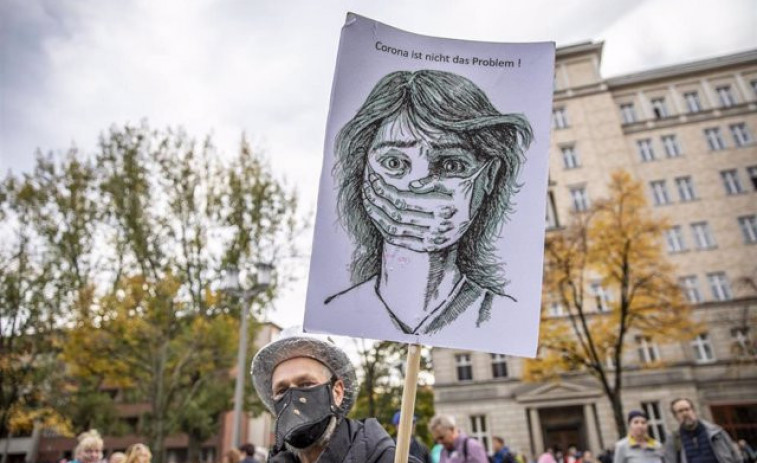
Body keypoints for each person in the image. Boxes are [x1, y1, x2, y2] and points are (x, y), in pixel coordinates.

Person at [325, 69, 533, 336]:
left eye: (451, 164)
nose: (419, 183)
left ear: (490, 175)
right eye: (394, 162)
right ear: (362, 166)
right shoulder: (336, 314)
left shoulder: (505, 320)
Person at [251, 328, 418, 463]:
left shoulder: (389, 459)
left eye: (306, 384)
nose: (293, 398)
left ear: (337, 392)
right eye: (282, 391)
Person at [663, 398, 742, 463]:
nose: (685, 413)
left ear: (693, 411)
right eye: (680, 411)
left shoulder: (717, 432)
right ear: (675, 416)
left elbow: (736, 456)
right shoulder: (673, 440)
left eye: (687, 409)